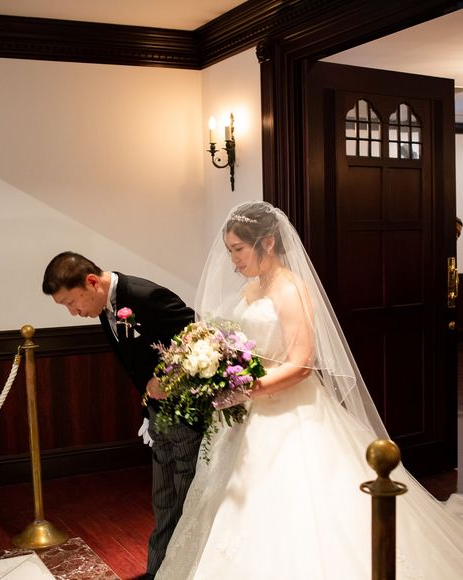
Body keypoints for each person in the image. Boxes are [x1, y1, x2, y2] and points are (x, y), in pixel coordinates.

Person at [153, 201, 463, 579]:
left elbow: (301, 364)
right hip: (247, 412)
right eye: (229, 251)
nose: (233, 260)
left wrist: (245, 388)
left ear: (267, 243)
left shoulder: (290, 290)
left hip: (290, 413)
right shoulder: (252, 288)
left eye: (238, 249)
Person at [42, 253, 203, 580]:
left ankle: (179, 571)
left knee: (183, 503)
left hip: (186, 414)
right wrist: (148, 411)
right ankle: (160, 571)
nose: (73, 312)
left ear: (91, 282)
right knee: (164, 501)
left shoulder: (145, 295)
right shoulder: (105, 305)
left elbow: (199, 337)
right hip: (158, 414)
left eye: (71, 302)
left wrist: (167, 376)